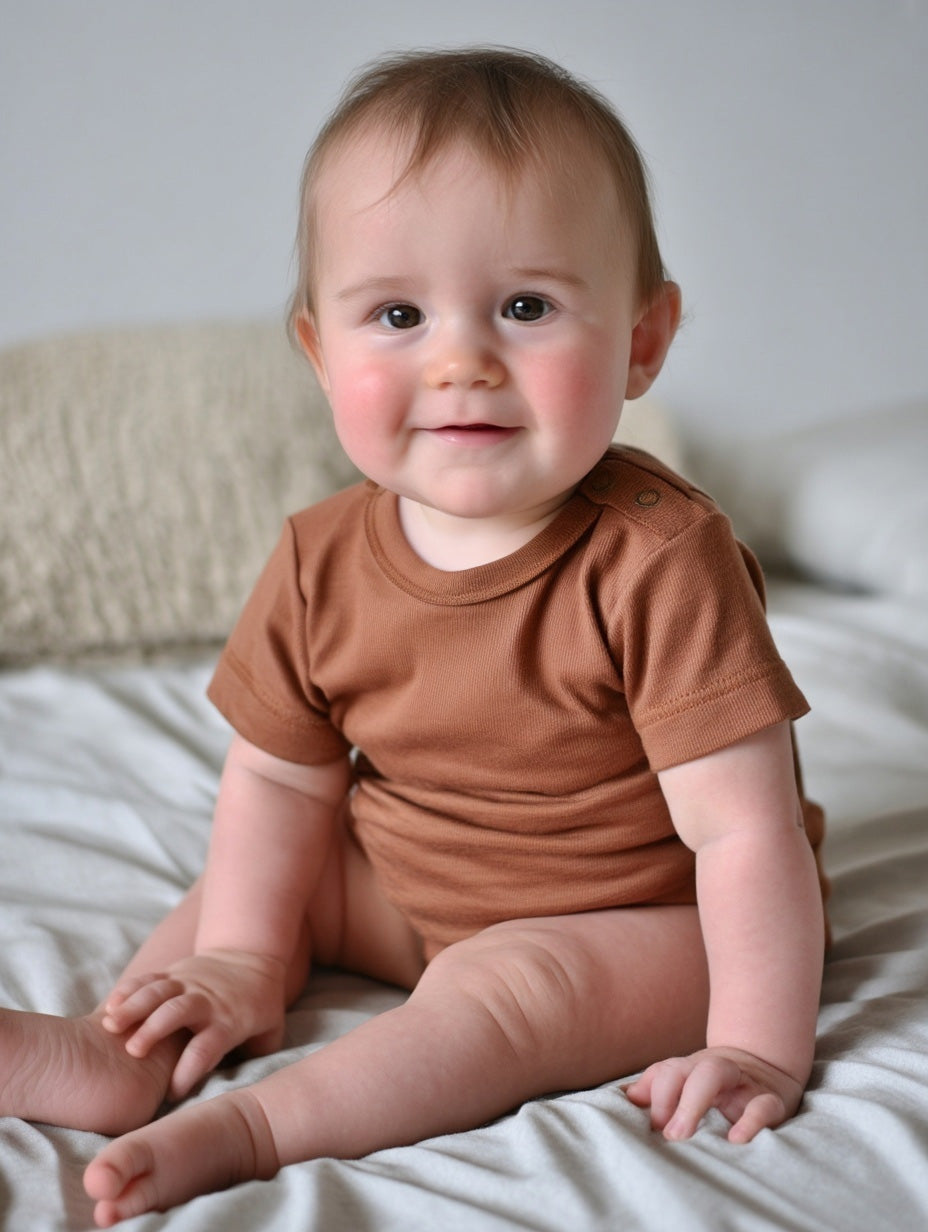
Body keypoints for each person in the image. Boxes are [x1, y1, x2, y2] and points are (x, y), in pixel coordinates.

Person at [0, 47, 827, 1227]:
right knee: (258, 884)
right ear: (319, 353)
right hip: (402, 879)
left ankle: (258, 1125)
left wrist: (753, 1045)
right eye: (397, 315)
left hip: (637, 920)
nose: (460, 361)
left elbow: (743, 830)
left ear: (643, 340)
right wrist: (239, 954)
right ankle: (122, 1046)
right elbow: (279, 782)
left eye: (526, 307)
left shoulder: (659, 558)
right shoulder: (319, 556)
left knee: (506, 990)